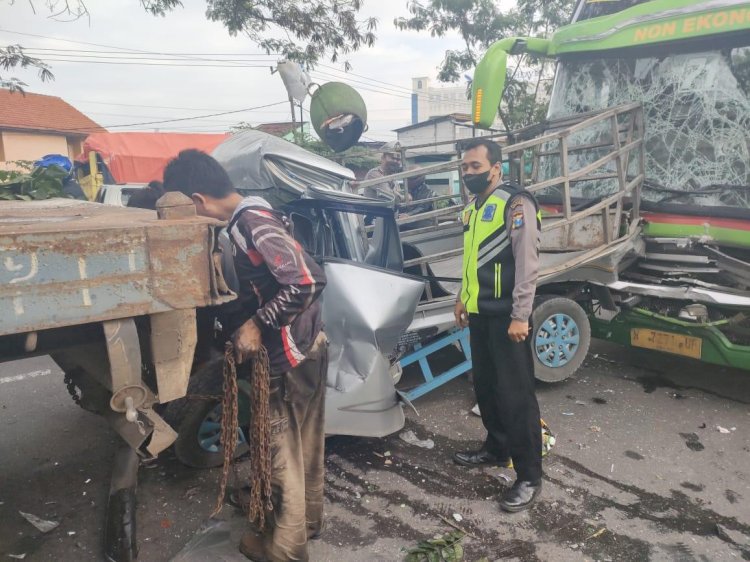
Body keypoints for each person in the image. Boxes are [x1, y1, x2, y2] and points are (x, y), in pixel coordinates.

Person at [163, 149, 328, 561]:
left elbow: (306, 281)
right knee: (305, 444)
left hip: (286, 356)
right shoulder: (254, 217)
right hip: (308, 346)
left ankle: (286, 551)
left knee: (279, 456)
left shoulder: (249, 224)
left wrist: (256, 325)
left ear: (197, 199)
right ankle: (306, 523)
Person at [453, 137, 543, 513]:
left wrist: (521, 314)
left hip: (508, 319)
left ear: (496, 168)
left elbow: (527, 263)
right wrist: (461, 296)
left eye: (475, 166)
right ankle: (496, 447)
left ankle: (529, 477)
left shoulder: (516, 203)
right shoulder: (475, 206)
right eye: (464, 168)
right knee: (487, 387)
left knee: (515, 396)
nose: (469, 173)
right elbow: (472, 258)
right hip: (479, 314)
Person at [400, 165, 437, 231]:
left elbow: (422, 207)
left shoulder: (427, 190)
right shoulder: (407, 190)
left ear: (417, 180)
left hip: (422, 226)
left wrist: (409, 215)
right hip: (408, 224)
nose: (406, 182)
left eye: (409, 179)